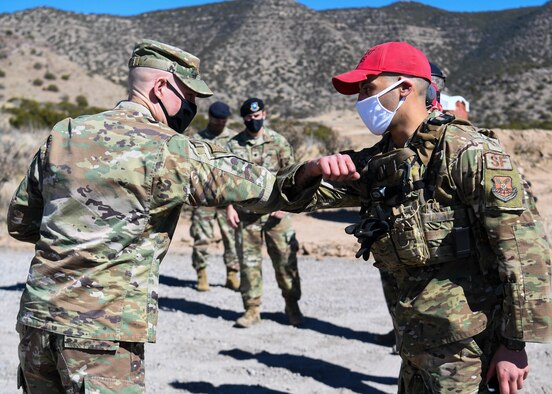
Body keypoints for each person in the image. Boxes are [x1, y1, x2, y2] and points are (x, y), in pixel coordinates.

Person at [7, 39, 321, 393]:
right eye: (188, 97)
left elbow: (20, 222)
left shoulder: (64, 132)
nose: (191, 107)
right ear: (160, 88)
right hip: (100, 332)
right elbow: (266, 189)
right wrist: (320, 174)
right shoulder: (169, 149)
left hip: (37, 321)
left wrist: (77, 234)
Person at [281, 41, 552, 393]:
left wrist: (514, 345)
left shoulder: (467, 152)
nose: (361, 100)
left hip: (465, 350)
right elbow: (298, 198)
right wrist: (309, 170)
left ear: (405, 88)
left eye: (368, 89)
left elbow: (524, 253)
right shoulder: (379, 162)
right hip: (414, 343)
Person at [226, 98, 302, 328]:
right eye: (249, 117)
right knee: (248, 264)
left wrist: (285, 205)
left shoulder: (278, 142)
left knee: (286, 262)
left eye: (257, 117)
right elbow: (225, 178)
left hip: (276, 215)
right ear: (243, 119)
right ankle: (252, 309)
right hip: (246, 214)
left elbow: (293, 176)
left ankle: (292, 305)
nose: (253, 121)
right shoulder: (233, 145)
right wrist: (228, 206)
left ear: (264, 115)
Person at [189, 101, 240, 291]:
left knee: (232, 237)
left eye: (223, 119)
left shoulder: (235, 140)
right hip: (203, 198)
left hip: (228, 197)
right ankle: (201, 274)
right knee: (201, 236)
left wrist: (234, 201)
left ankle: (232, 274)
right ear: (209, 117)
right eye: (217, 119)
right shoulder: (197, 139)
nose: (220, 123)